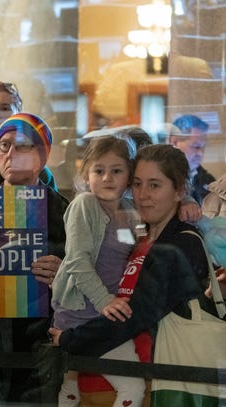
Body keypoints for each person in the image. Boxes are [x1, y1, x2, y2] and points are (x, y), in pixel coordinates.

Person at [50, 144, 212, 395]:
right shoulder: (138, 232)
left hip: (151, 383)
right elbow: (89, 261)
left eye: (154, 185)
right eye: (137, 184)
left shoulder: (181, 245)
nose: (142, 195)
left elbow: (135, 314)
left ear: (179, 190)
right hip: (94, 378)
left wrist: (70, 339)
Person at [0, 112, 68, 403]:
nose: (10, 153)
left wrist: (64, 274)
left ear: (42, 156)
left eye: (22, 146)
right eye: (4, 145)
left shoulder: (64, 213)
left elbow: (88, 275)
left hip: (38, 348)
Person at [51, 135, 146, 407]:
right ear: (87, 173)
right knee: (133, 387)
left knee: (71, 385)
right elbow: (77, 260)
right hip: (85, 313)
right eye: (99, 170)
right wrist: (106, 302)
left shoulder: (130, 211)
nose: (107, 178)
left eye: (116, 171)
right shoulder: (84, 205)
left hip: (106, 312)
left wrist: (186, 201)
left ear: (129, 174)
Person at [168, 114, 215, 205]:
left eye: (203, 147)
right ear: (175, 142)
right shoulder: (159, 177)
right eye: (196, 146)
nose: (200, 153)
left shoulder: (209, 182)